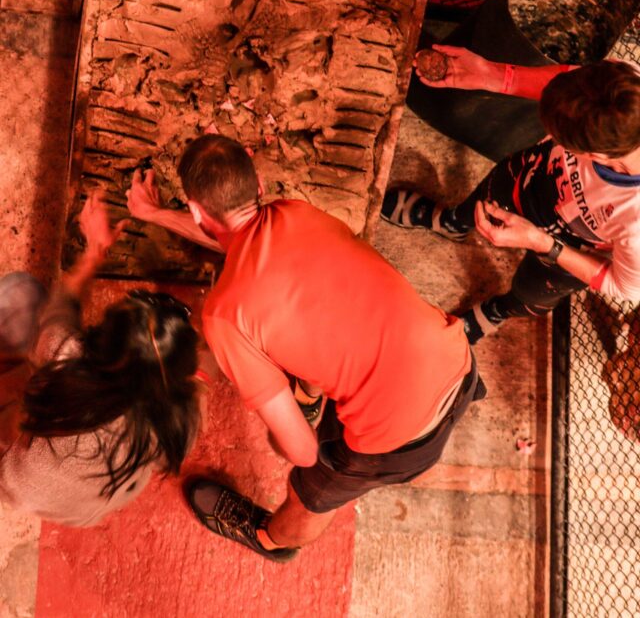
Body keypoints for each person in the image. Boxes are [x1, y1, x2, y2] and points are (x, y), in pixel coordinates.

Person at [126, 134, 484, 562]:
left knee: (313, 489)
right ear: (258, 185)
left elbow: (302, 450)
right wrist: (155, 213)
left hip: (400, 438)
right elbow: (234, 237)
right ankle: (311, 392)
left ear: (197, 210)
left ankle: (272, 541)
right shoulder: (295, 213)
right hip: (456, 357)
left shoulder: (224, 315)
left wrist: (286, 416)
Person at [382, 45, 640, 343]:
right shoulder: (625, 86)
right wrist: (492, 75)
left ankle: (498, 311)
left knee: (533, 292)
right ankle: (453, 223)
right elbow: (573, 79)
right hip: (535, 174)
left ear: (596, 155)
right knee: (486, 199)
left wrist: (541, 242)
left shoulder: (635, 224)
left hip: (572, 244)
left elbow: (623, 287)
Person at [0, 191, 201, 526]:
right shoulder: (180, 418)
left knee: (18, 295)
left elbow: (62, 308)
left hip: (14, 478)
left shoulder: (64, 353)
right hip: (82, 509)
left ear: (98, 346)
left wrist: (94, 252)